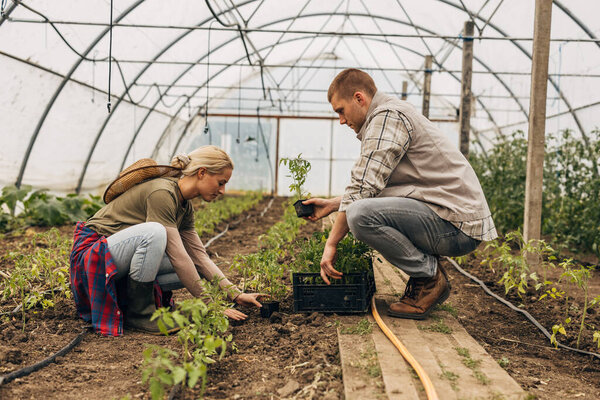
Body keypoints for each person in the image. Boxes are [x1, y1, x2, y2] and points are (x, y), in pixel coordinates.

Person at [303, 68, 497, 320]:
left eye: (341, 110)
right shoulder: (386, 117)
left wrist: (331, 243)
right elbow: (381, 187)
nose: (341, 120)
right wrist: (332, 204)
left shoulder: (387, 118)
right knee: (357, 208)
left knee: (359, 215)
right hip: (448, 217)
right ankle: (427, 276)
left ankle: (429, 279)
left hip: (456, 226)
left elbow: (362, 190)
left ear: (359, 98)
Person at [70, 145, 264, 336]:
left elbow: (199, 257)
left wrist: (236, 294)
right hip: (92, 259)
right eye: (221, 182)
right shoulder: (162, 192)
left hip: (115, 260)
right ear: (202, 172)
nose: (222, 190)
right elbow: (178, 257)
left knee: (195, 265)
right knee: (155, 233)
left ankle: (133, 303)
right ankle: (139, 314)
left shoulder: (185, 206)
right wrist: (210, 305)